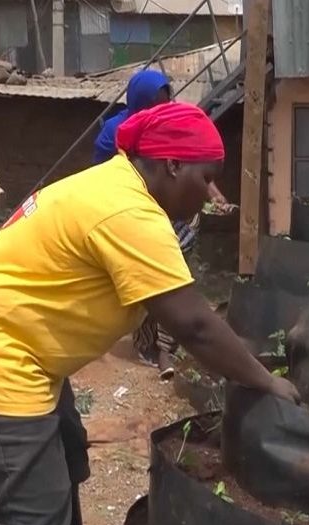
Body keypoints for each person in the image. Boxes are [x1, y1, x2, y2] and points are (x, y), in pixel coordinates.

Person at [0, 102, 298, 525]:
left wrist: (252, 356)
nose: (212, 194)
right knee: (35, 522)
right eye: (207, 178)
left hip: (13, 345)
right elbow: (193, 325)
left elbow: (194, 319)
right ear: (172, 165)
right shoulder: (130, 214)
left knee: (68, 458)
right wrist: (267, 382)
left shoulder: (114, 182)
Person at [93, 70, 229, 373]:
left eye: (165, 102)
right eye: (155, 103)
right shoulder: (114, 134)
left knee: (173, 271)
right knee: (149, 282)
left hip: (166, 210)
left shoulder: (170, 129)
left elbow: (189, 163)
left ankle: (167, 342)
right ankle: (149, 344)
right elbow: (109, 178)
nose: (161, 109)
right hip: (133, 212)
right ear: (139, 101)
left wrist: (213, 193)